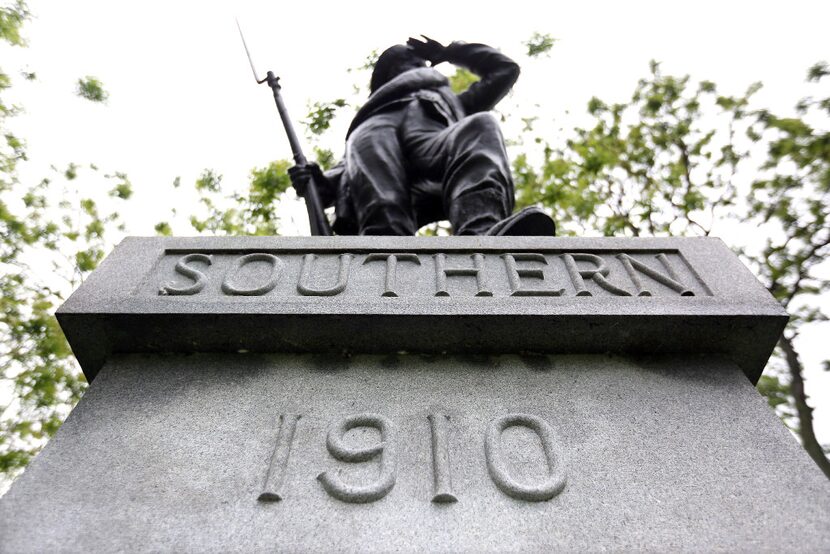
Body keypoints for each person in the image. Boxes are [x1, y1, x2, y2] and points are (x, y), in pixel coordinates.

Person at [289, 36, 555, 236]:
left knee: (481, 126)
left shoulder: (454, 103)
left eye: (418, 62)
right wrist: (319, 182)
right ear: (388, 75)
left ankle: (481, 235)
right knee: (380, 201)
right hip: (374, 139)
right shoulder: (370, 116)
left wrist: (451, 52)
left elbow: (505, 70)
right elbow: (346, 170)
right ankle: (382, 254)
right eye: (405, 62)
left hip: (433, 146)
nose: (418, 67)